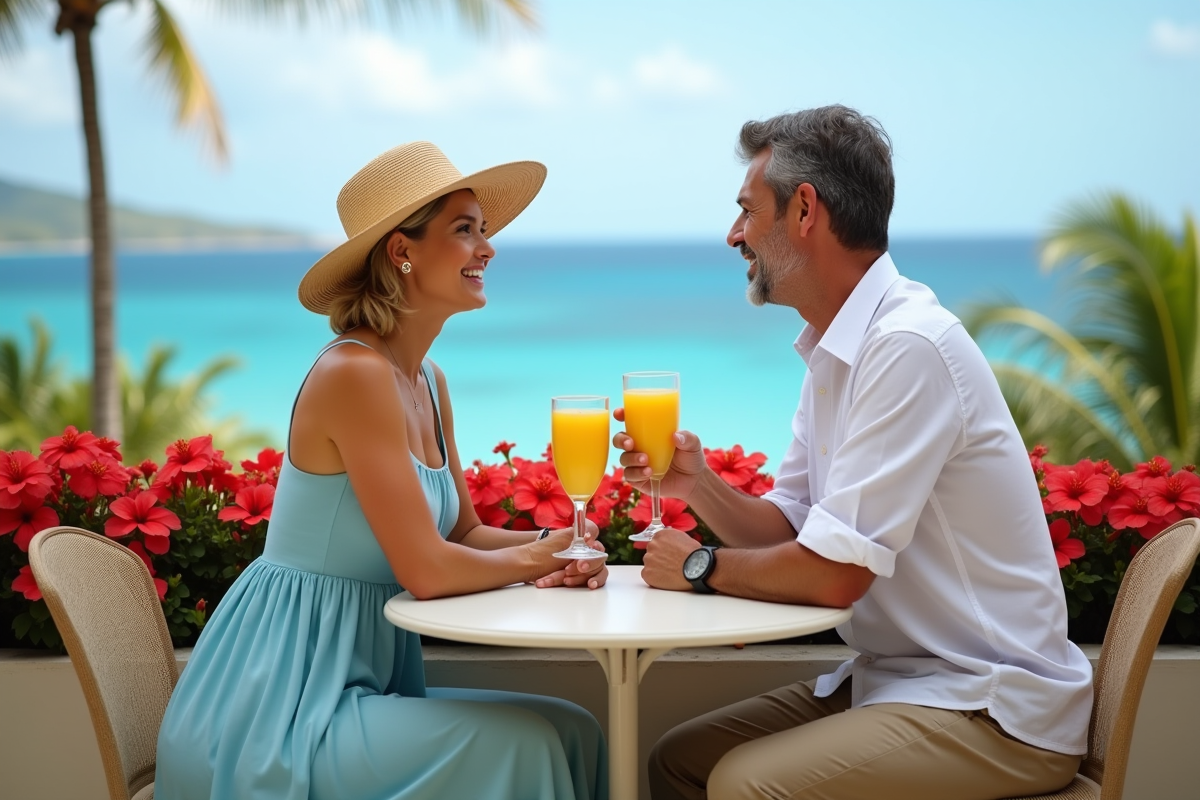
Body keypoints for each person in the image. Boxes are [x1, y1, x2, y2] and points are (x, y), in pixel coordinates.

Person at [615, 106, 1093, 800]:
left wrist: (698, 566)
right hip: (899, 684)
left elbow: (836, 576)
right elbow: (795, 525)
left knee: (747, 786)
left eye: (748, 211)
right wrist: (699, 487)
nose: (734, 235)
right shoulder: (839, 348)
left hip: (991, 708)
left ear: (805, 210)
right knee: (678, 762)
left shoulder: (907, 347)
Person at [156, 142, 609, 800]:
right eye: (465, 230)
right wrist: (544, 558)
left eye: (483, 230)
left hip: (357, 684)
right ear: (402, 251)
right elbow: (428, 572)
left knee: (576, 731)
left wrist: (571, 542)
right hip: (279, 708)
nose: (487, 249)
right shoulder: (354, 375)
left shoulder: (427, 379)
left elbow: (464, 536)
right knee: (531, 741)